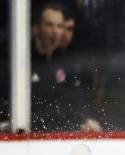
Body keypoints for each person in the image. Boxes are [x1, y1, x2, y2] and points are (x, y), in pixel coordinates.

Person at [30, 2, 102, 132]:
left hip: (62, 134)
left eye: (59, 26)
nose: (55, 31)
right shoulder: (23, 63)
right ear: (36, 28)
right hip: (31, 135)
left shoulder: (68, 62)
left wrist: (86, 120)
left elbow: (77, 99)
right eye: (49, 25)